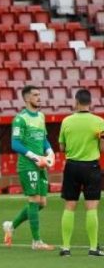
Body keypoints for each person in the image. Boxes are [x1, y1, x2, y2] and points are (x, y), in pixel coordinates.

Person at [3, 85, 55, 251]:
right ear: (26, 99)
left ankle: (11, 226)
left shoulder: (41, 116)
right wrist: (35, 157)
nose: (39, 97)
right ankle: (36, 241)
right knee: (34, 200)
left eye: (39, 95)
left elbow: (43, 138)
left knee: (42, 203)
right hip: (28, 165)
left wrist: (50, 153)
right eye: (35, 95)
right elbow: (15, 143)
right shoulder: (20, 119)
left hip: (41, 164)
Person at [58, 89, 104, 257]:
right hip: (91, 167)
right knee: (91, 207)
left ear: (76, 102)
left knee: (70, 206)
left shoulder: (66, 121)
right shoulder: (99, 122)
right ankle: (93, 248)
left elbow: (62, 147)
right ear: (90, 102)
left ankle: (65, 248)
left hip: (72, 166)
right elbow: (102, 148)